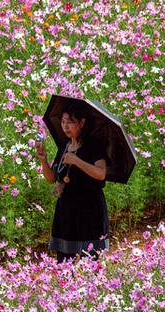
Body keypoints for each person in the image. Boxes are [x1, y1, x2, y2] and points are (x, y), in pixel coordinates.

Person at [35, 103, 109, 263]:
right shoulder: (65, 146)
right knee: (64, 260)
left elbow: (101, 173)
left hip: (89, 209)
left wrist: (76, 160)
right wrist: (43, 161)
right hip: (67, 209)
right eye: (63, 122)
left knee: (89, 259)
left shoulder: (93, 146)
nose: (65, 126)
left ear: (82, 123)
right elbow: (52, 178)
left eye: (70, 122)